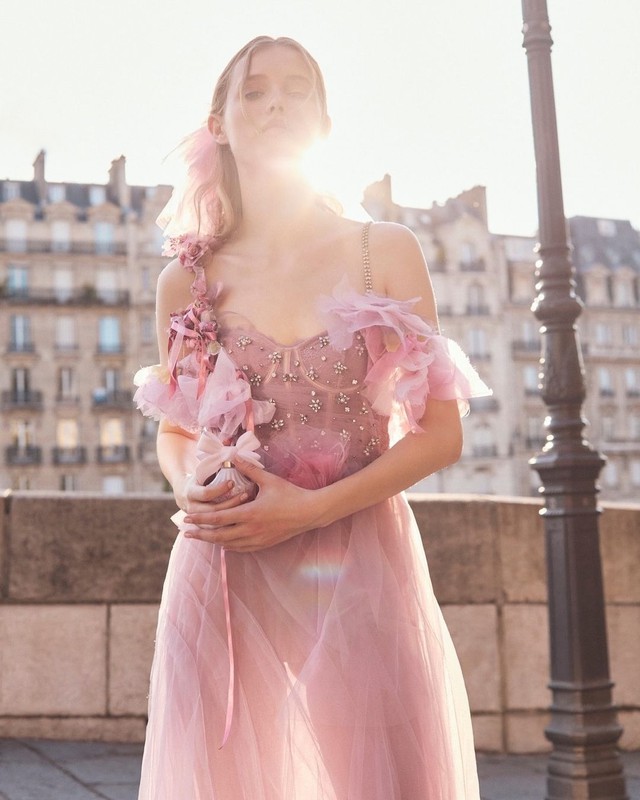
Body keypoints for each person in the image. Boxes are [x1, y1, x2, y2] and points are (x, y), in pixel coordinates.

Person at [134, 35, 490, 799]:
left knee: (391, 783)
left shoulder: (382, 251)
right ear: (218, 123)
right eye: (256, 91)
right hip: (223, 568)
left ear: (324, 121)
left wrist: (310, 511)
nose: (278, 104)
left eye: (299, 90)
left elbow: (441, 433)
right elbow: (176, 429)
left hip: (360, 558)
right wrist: (187, 487)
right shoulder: (183, 279)